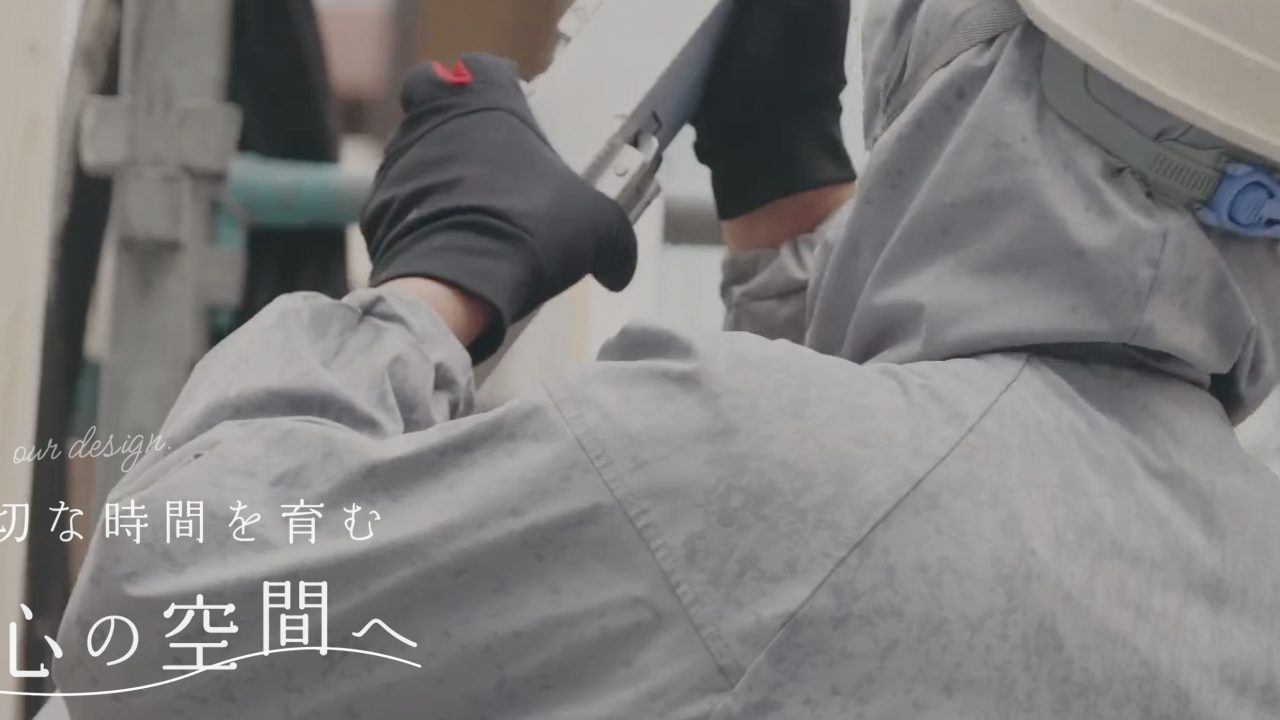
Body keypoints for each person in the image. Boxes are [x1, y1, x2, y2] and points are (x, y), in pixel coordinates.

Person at [51, 0, 1280, 717]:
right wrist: (791, 209)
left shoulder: (756, 482)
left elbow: (160, 620)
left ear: (961, 59)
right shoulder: (1243, 568)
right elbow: (845, 604)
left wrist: (432, 284)